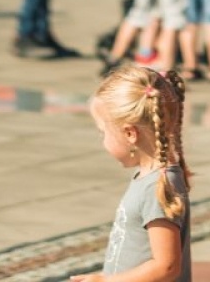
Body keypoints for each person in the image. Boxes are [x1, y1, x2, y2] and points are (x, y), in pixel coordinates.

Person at [72, 63, 191, 282]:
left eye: (103, 132)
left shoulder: (158, 185)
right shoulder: (150, 178)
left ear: (129, 133)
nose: (102, 140)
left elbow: (167, 266)